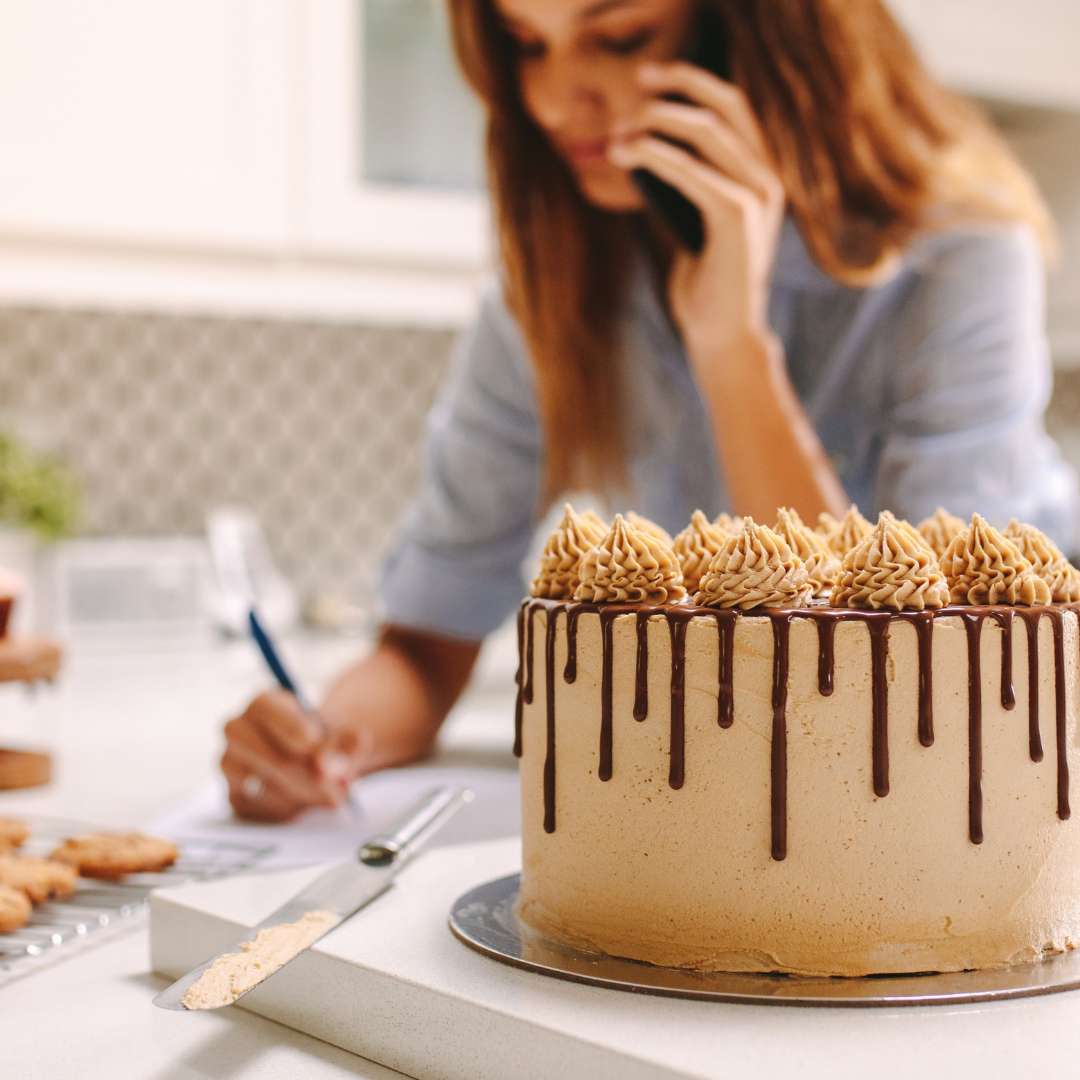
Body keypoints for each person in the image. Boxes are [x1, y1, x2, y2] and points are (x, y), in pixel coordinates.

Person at [222, 0, 1077, 821]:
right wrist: (323, 742)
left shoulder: (963, 254)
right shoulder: (551, 286)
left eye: (622, 37)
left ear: (757, 29)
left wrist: (732, 346)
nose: (557, 97)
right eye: (528, 42)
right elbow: (424, 644)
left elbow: (908, 682)